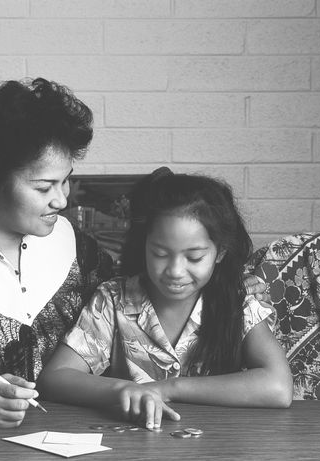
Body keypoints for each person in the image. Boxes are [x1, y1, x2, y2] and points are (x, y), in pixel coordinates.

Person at [0, 79, 268, 429]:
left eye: (66, 182)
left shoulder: (77, 248)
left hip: (71, 454)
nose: (62, 200)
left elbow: (136, 309)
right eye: (43, 187)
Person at [38, 167, 293, 431]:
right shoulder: (113, 299)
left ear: (220, 253)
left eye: (194, 258)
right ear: (144, 245)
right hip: (130, 449)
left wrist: (168, 388)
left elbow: (278, 387)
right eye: (160, 253)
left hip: (219, 450)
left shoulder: (238, 302)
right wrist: (122, 390)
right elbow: (55, 377)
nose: (175, 271)